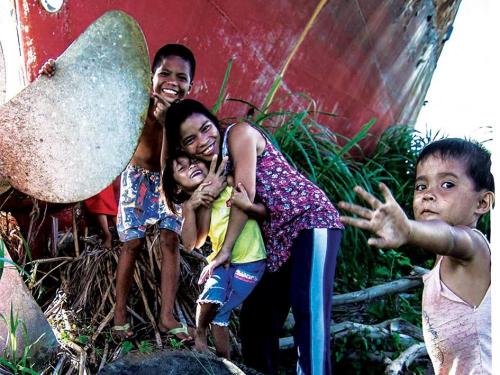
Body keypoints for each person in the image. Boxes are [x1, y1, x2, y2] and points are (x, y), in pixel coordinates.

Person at [165, 99, 343, 375]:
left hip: (310, 221)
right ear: (182, 148)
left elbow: (244, 197)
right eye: (190, 140)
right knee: (256, 322)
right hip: (276, 241)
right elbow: (194, 242)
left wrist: (226, 250)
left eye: (205, 128)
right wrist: (192, 204)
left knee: (309, 314)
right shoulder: (212, 174)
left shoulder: (239, 133)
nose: (202, 141)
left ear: (215, 121)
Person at [338, 138, 494, 374]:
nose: (428, 195)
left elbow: (450, 237)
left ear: (482, 202)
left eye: (447, 184)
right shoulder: (443, 260)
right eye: (421, 186)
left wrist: (409, 230)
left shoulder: (473, 247)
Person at [113, 44, 196, 340]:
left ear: (191, 84)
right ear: (152, 76)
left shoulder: (187, 116)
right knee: (131, 244)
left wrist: (167, 124)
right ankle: (120, 314)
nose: (172, 82)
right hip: (136, 178)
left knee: (170, 240)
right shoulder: (138, 103)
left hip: (168, 177)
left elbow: (175, 157)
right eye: (164, 74)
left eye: (181, 77)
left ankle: (166, 316)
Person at [162, 153, 267, 359]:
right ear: (178, 188)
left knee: (221, 313)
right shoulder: (199, 207)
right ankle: (203, 335)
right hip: (222, 263)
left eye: (192, 161)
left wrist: (245, 202)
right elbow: (191, 244)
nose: (190, 166)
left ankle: (224, 362)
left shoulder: (230, 182)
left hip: (251, 261)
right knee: (208, 297)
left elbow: (265, 211)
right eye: (181, 169)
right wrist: (190, 207)